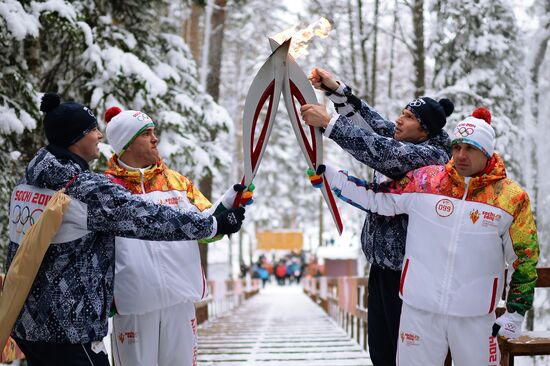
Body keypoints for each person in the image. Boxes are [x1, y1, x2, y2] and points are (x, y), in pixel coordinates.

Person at [5, 93, 246, 366]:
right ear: (75, 139)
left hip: (34, 322)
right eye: (92, 130)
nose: (99, 136)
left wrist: (222, 213)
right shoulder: (86, 189)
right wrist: (212, 223)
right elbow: (147, 218)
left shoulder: (30, 182)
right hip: (70, 326)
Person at [315, 108, 539, 365]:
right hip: (419, 311)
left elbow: (525, 257)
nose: (461, 155)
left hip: (475, 318)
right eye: (457, 147)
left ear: (486, 152)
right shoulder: (427, 180)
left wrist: (515, 312)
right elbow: (377, 199)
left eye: (470, 148)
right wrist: (331, 176)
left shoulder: (510, 198)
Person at [300, 67, 454, 365]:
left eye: (409, 117)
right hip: (381, 267)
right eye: (403, 112)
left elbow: (384, 153)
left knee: (404, 354)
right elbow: (374, 127)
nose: (399, 119)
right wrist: (338, 92)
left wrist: (330, 124)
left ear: (425, 131)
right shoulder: (411, 141)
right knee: (381, 351)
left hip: (410, 274)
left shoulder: (431, 158)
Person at [102, 106, 251, 366]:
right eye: (146, 133)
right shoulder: (107, 189)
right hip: (133, 306)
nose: (154, 138)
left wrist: (225, 209)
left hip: (179, 303)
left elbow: (207, 228)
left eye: (153, 132)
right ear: (126, 143)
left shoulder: (177, 183)